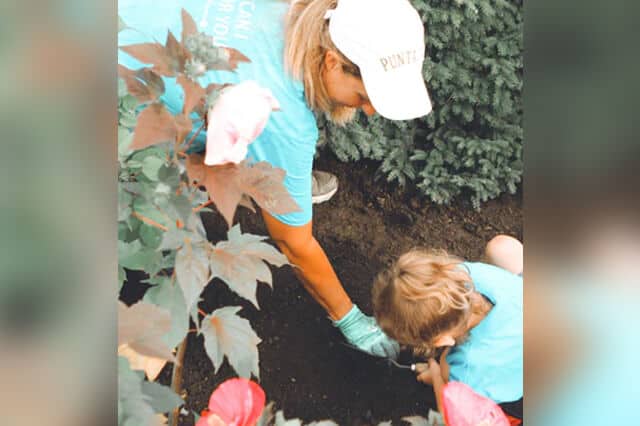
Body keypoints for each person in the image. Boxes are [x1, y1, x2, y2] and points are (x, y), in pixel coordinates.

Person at [119, 0, 432, 358]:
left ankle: (285, 179)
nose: (370, 109)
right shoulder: (284, 120)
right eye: (364, 95)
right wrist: (349, 319)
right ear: (332, 61)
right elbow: (294, 244)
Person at [372, 235, 523, 402]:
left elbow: (455, 408)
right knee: (501, 247)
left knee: (446, 365)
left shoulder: (468, 367)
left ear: (442, 340)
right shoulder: (463, 273)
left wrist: (437, 377)